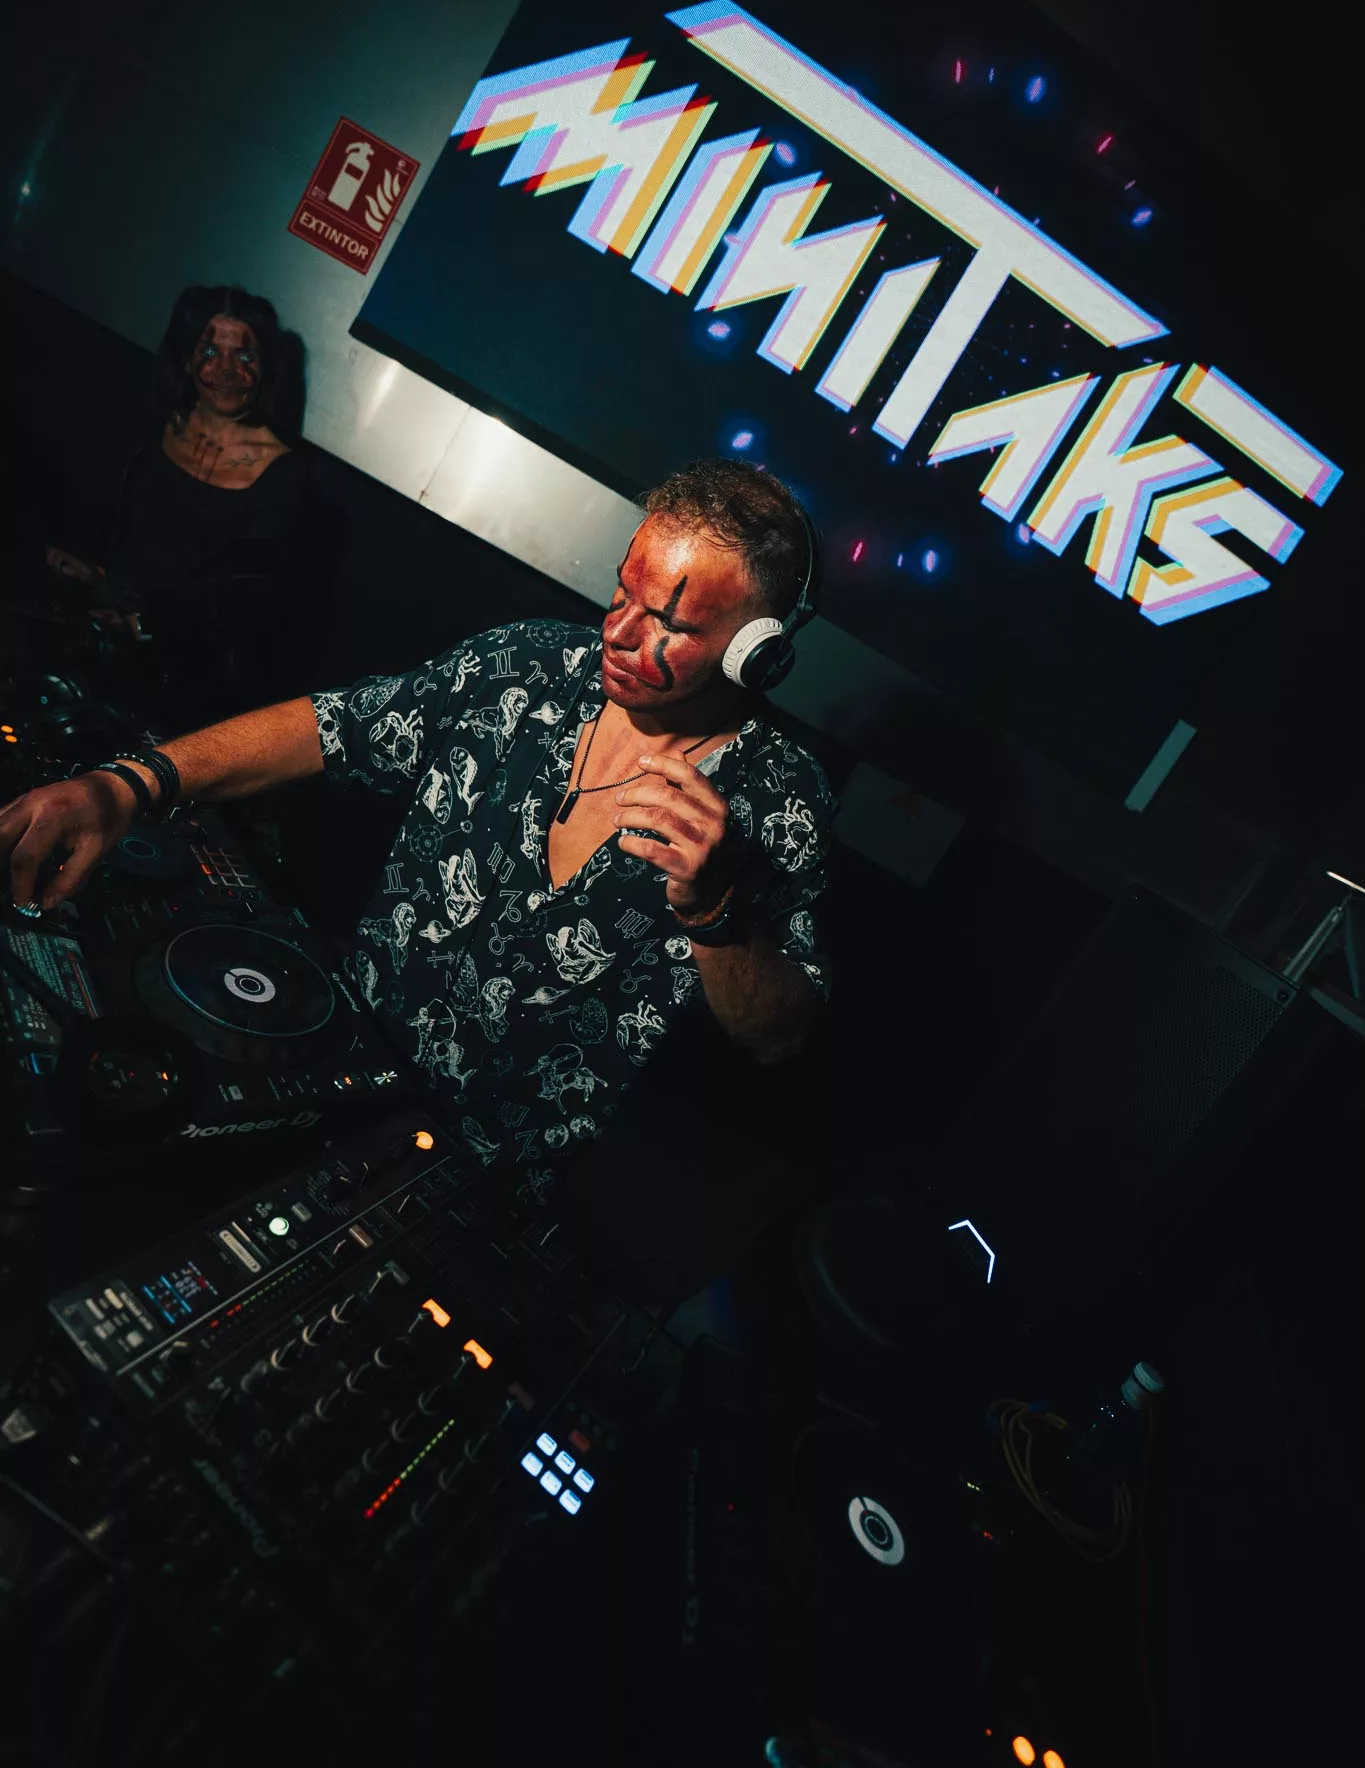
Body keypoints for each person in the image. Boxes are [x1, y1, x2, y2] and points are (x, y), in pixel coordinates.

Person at [2, 460, 833, 1206]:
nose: (616, 632)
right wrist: (130, 783)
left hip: (487, 1181)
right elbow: (331, 727)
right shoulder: (525, 665)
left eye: (668, 625)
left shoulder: (779, 800)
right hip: (332, 1073)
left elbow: (776, 1035)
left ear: (753, 652)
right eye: (622, 592)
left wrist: (714, 912)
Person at [43, 284, 313, 729]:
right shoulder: (153, 426)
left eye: (245, 356)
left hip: (178, 683)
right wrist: (93, 575)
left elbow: (245, 598)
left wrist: (144, 623)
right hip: (95, 640)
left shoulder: (283, 471)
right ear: (186, 359)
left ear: (265, 367)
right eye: (211, 351)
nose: (226, 370)